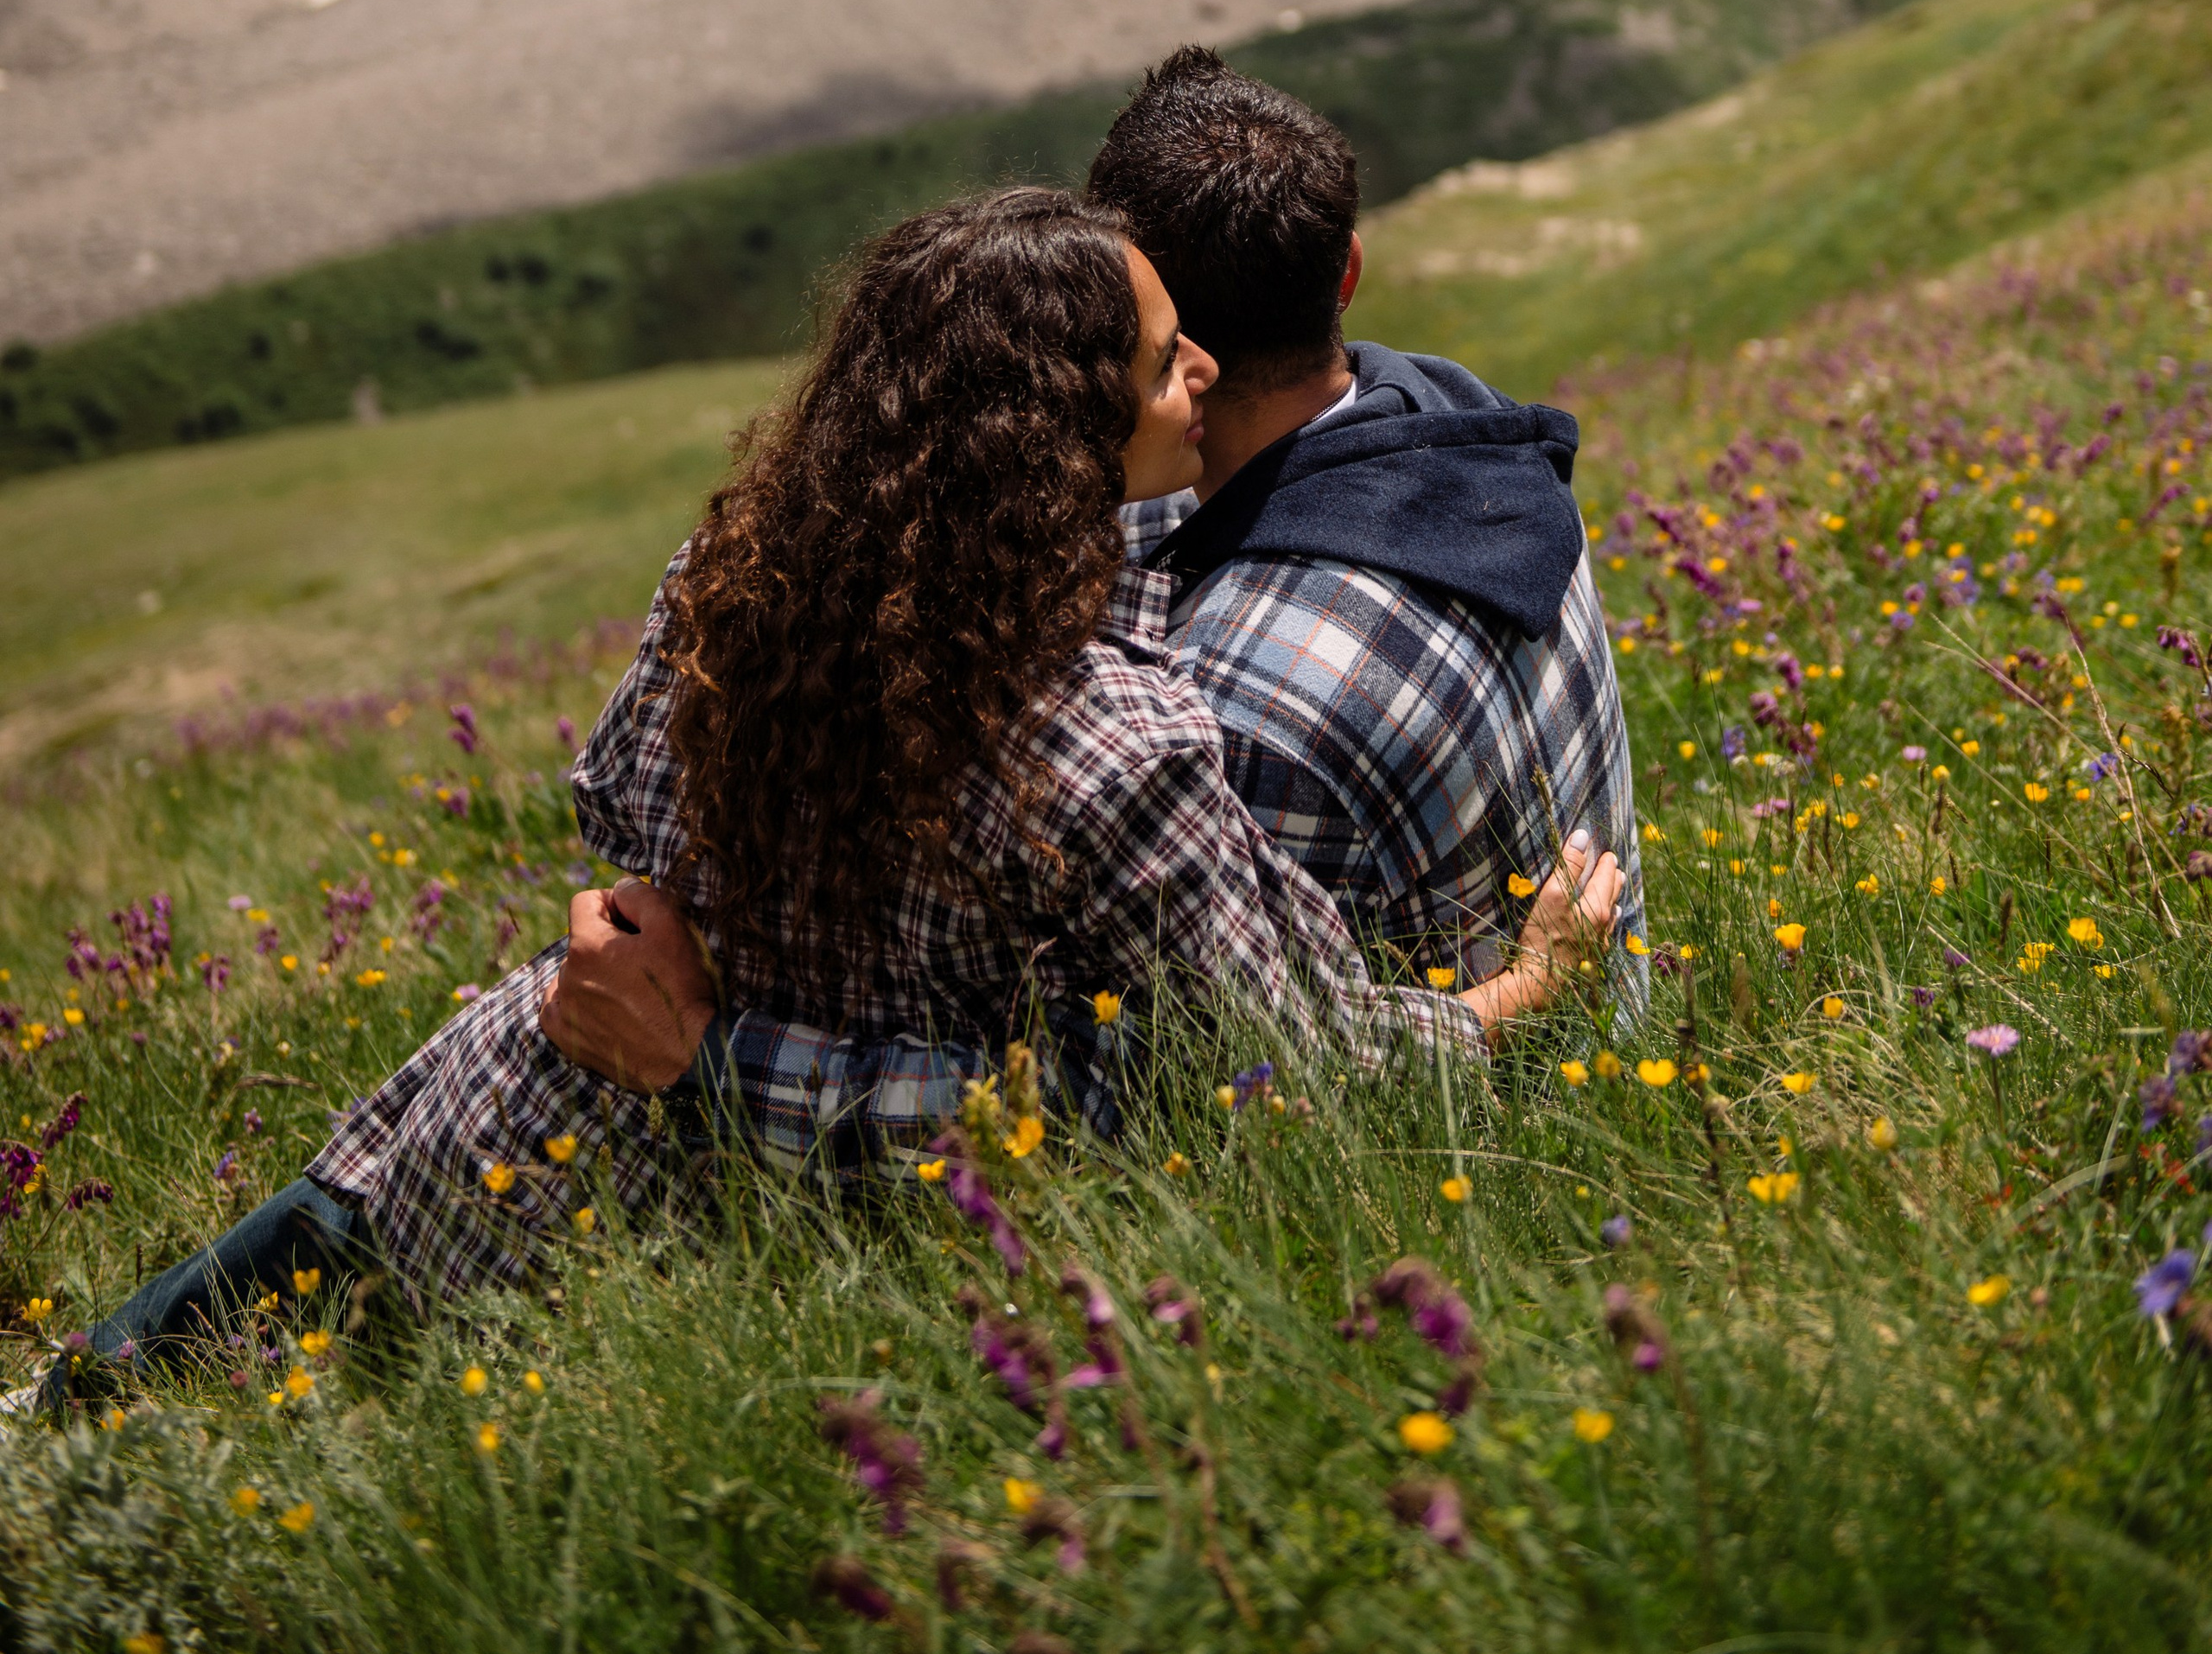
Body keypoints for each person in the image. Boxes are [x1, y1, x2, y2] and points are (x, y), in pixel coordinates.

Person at [29, 188, 1618, 1402]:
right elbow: (1300, 1070)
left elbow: (635, 864)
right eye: (1159, 356)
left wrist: (703, 1025)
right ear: (1054, 439)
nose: (1201, 361)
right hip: (618, 1296)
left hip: (459, 1139)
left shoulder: (735, 580)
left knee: (72, 1420)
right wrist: (1522, 986)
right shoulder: (1115, 748)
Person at [546, 51, 1644, 1160]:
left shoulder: (1232, 709)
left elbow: (1237, 1092)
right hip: (1589, 1073)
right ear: (1344, 271)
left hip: (1460, 1137)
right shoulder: (1472, 433)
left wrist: (722, 1058)